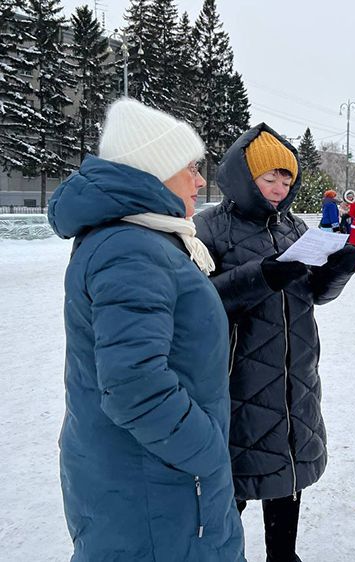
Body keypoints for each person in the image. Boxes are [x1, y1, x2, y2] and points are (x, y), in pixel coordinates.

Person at [47, 98, 245, 561]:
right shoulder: (131, 249)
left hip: (152, 478)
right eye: (190, 167)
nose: (200, 180)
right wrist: (206, 452)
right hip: (157, 486)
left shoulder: (145, 237)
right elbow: (134, 385)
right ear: (156, 170)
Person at [194, 124, 355, 562]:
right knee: (231, 479)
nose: (280, 188)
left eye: (287, 179)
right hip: (237, 377)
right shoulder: (208, 227)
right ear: (244, 176)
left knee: (286, 469)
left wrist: (336, 272)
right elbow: (197, 302)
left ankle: (283, 556)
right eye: (270, 178)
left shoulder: (294, 227)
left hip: (294, 374)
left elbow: (312, 293)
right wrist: (261, 277)